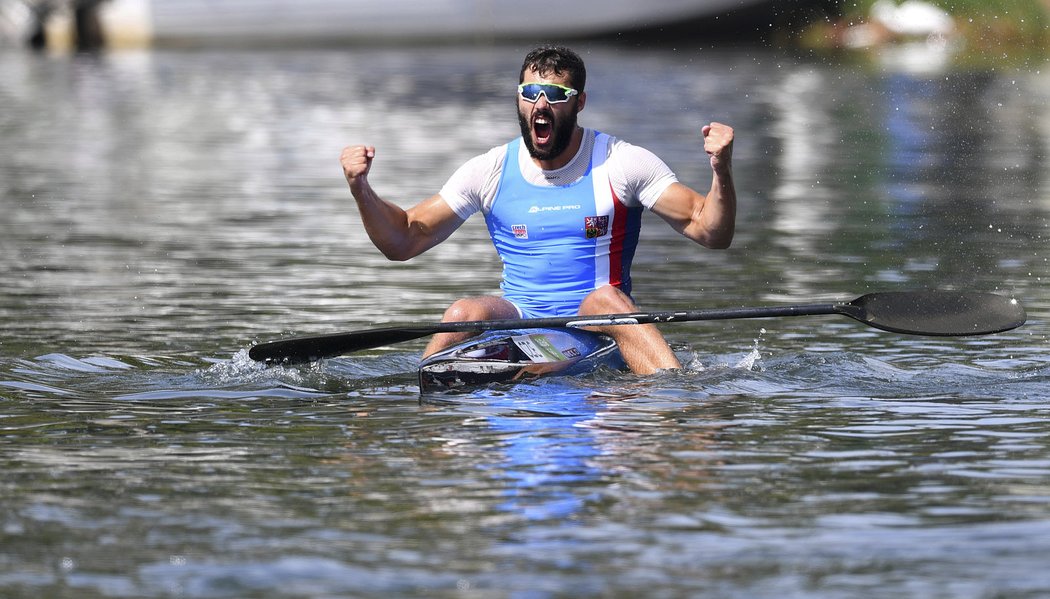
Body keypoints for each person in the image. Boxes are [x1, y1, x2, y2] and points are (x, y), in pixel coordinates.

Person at [340, 45, 735, 374]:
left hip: (596, 322)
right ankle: (426, 382)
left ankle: (681, 393)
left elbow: (710, 231)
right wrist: (362, 189)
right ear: (519, 99)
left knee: (605, 299)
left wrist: (720, 169)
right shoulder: (490, 169)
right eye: (530, 94)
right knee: (463, 310)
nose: (540, 105)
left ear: (579, 102)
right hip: (519, 314)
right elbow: (403, 239)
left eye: (555, 95)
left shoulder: (621, 162)